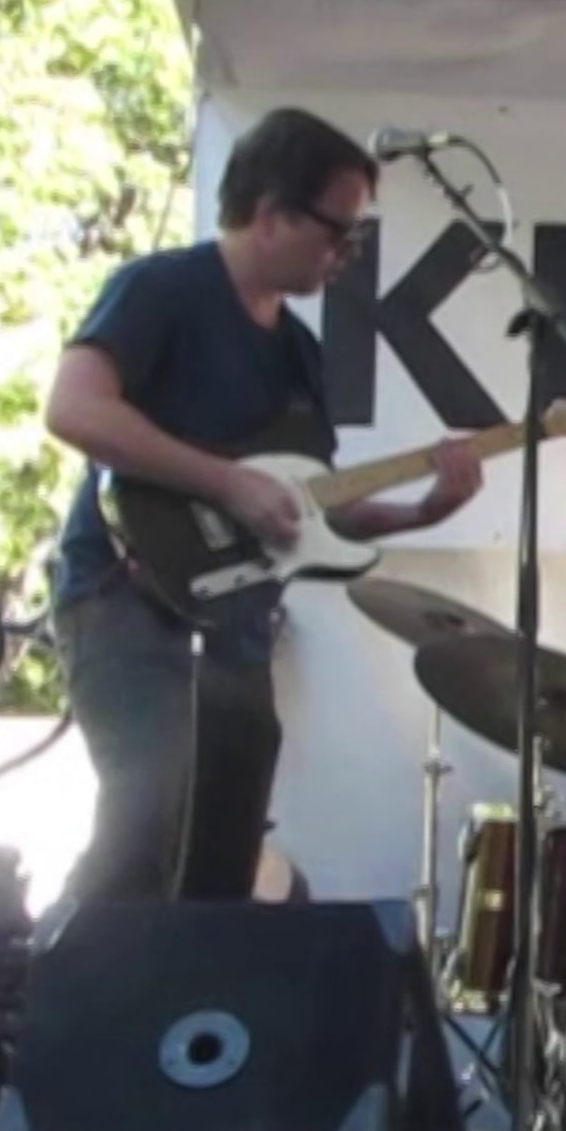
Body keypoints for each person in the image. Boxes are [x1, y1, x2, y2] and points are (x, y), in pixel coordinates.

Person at [43, 107, 485, 904]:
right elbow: (74, 408)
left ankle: (189, 981)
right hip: (126, 595)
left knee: (228, 832)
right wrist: (225, 483)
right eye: (338, 231)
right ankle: (64, 973)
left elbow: (310, 513)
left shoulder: (300, 352)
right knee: (149, 809)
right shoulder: (162, 289)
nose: (347, 253)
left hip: (234, 623)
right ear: (272, 213)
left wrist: (424, 511)